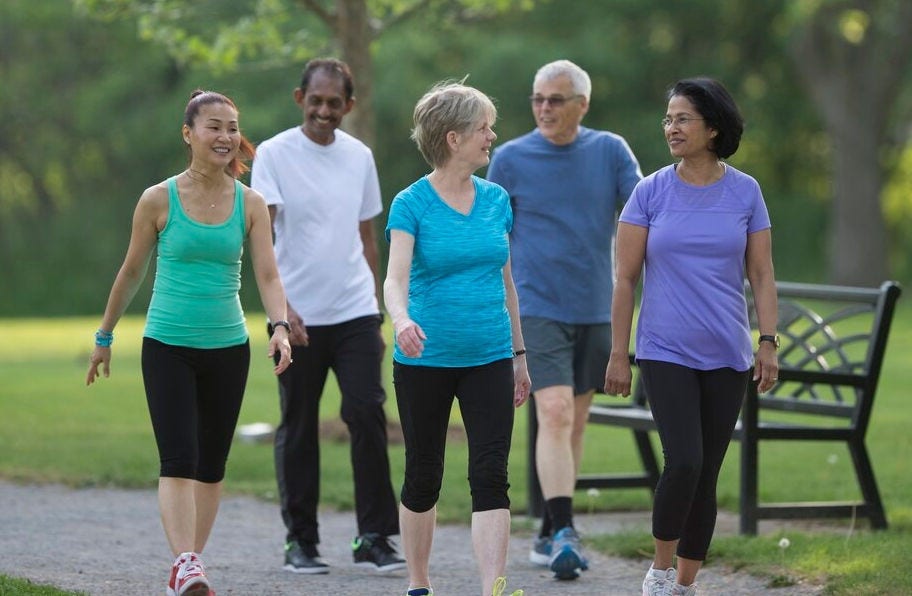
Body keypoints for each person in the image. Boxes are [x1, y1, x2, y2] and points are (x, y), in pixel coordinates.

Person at [85, 90, 294, 596]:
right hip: (168, 345)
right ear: (189, 134)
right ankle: (186, 563)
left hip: (227, 347)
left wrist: (280, 326)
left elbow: (267, 273)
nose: (225, 137)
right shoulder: (158, 198)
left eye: (231, 128)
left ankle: (188, 564)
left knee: (211, 465)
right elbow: (131, 271)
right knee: (178, 457)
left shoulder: (251, 203)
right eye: (213, 126)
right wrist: (104, 335)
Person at [604, 77, 779, 596]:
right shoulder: (650, 191)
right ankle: (658, 572)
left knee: (706, 474)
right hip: (665, 349)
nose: (671, 128)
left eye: (682, 119)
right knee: (684, 460)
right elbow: (625, 278)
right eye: (669, 119)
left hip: (727, 353)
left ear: (713, 128)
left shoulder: (745, 191)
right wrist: (620, 352)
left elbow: (763, 274)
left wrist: (767, 340)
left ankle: (684, 584)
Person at [486, 59, 643, 580]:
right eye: (537, 99)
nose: (544, 109)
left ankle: (551, 527)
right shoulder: (509, 159)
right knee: (553, 413)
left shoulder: (609, 150)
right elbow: (492, 236)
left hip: (596, 308)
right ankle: (566, 532)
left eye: (556, 99)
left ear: (583, 104)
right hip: (536, 306)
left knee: (571, 422)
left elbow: (642, 212)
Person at [250, 57, 405, 575]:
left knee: (366, 413)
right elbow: (262, 241)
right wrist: (282, 312)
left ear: (349, 106)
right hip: (296, 319)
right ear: (300, 99)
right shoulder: (273, 154)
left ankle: (374, 537)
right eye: (314, 100)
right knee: (298, 425)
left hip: (356, 311)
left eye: (333, 102)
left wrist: (380, 305)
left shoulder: (359, 156)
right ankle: (301, 541)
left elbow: (368, 239)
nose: (323, 110)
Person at [384, 81, 531, 596]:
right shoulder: (411, 203)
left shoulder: (496, 201)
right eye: (483, 127)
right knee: (424, 472)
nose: (492, 135)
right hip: (425, 359)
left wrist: (519, 355)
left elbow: (507, 282)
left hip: (489, 355)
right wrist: (401, 320)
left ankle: (493, 586)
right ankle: (419, 583)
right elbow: (394, 279)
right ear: (453, 137)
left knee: (491, 473)